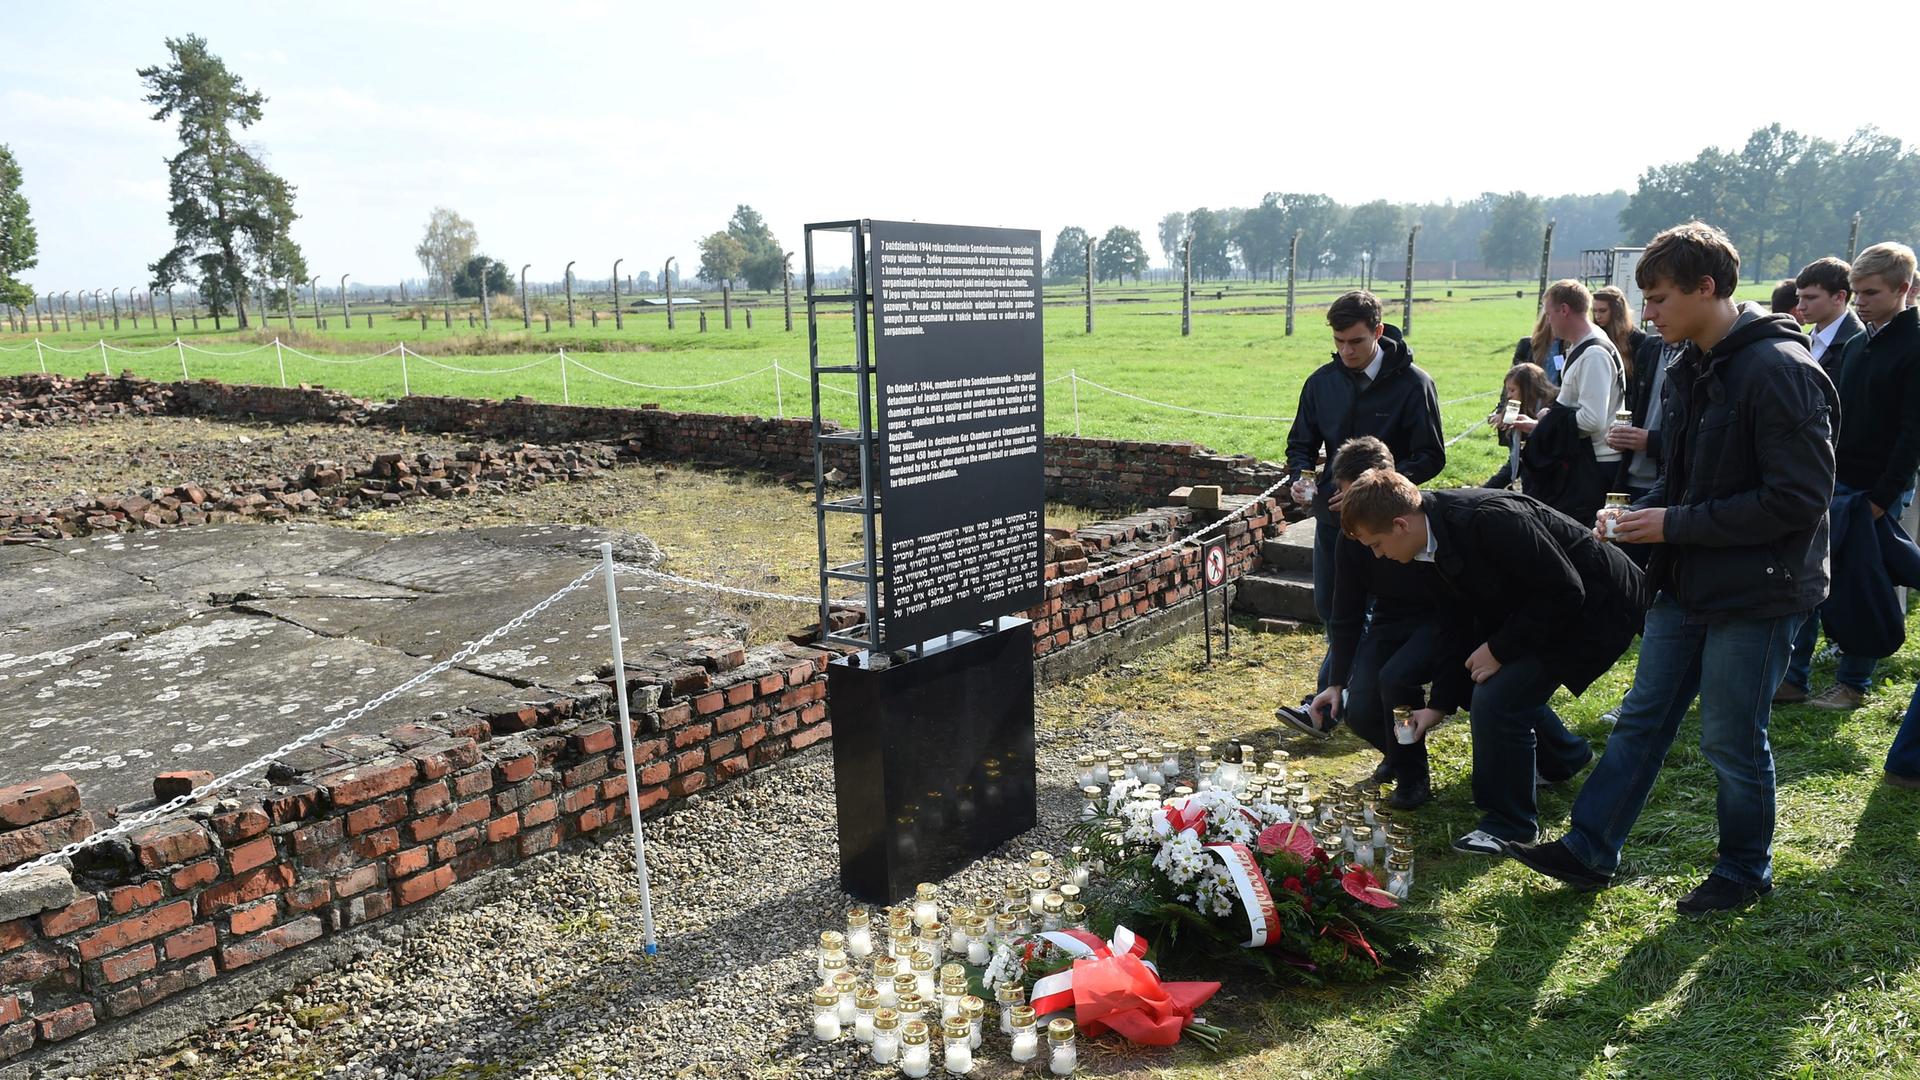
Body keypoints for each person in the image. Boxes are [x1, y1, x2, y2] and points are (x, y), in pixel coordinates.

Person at [1506, 221, 1836, 915]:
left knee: (1730, 738)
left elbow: (1799, 500)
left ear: (1707, 288)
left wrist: (1673, 523)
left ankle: (1745, 869)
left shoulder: (1782, 373)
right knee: (1642, 717)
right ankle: (1590, 847)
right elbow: (1682, 478)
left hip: (1761, 589)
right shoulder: (1688, 362)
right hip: (1684, 579)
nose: (1645, 314)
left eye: (1657, 298)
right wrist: (1636, 515)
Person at [1339, 468, 1647, 856]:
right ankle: (1562, 759)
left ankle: (1511, 824)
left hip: (1597, 604)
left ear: (1400, 524)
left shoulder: (1489, 518)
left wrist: (1499, 649)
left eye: (1377, 544)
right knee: (1485, 683)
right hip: (1539, 607)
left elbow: (1565, 590)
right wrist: (1438, 706)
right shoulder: (1425, 545)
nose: (1377, 555)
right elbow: (1455, 623)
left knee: (1498, 698)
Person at [1278, 290, 1445, 735]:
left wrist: (1375, 489)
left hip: (1389, 525)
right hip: (1332, 520)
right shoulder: (1320, 382)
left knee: (1370, 614)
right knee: (1333, 608)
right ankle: (1350, 694)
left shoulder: (1415, 384)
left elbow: (1432, 456)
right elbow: (1301, 442)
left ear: (1378, 331)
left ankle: (1327, 704)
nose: (1346, 351)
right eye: (1339, 342)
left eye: (1355, 341)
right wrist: (1300, 474)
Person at [1779, 243, 1920, 709]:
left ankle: (1854, 683)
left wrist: (1882, 495)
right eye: (1856, 292)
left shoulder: (1914, 343)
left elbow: (1911, 433)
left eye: (1870, 293)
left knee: (1862, 582)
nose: (1859, 302)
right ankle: (1794, 677)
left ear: (1904, 288)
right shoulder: (1861, 341)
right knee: (1813, 580)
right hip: (1837, 482)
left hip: (1876, 489)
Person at [1307, 438, 1460, 809]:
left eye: (1346, 493)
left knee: (1396, 680)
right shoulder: (1352, 539)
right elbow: (1346, 612)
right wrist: (1335, 681)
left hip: (1438, 617)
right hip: (1391, 619)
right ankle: (1398, 753)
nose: (1340, 503)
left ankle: (1412, 777)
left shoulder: (1418, 520)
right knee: (1358, 712)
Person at [1503, 281, 1624, 525]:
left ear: (1564, 310)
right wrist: (1545, 421)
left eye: (1549, 313)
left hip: (1594, 465)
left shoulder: (1594, 354)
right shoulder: (1582, 346)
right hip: (1584, 459)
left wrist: (1549, 423)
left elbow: (1592, 419)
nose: (1548, 321)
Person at [1794, 256, 1864, 378]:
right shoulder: (1801, 342)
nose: (1800, 307)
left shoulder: (1860, 347)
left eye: (1810, 298)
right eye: (1799, 298)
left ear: (1839, 297)